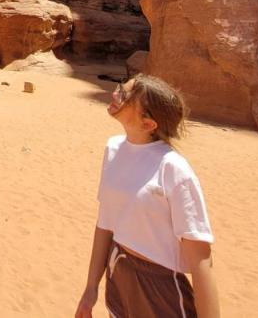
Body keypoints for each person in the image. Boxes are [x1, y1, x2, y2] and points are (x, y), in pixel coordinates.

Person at [74, 74, 219, 318]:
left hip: (160, 288)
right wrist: (90, 290)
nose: (115, 94)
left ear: (148, 124)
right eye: (121, 87)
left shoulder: (174, 169)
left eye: (126, 95)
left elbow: (201, 262)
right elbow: (105, 225)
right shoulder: (113, 149)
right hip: (118, 272)